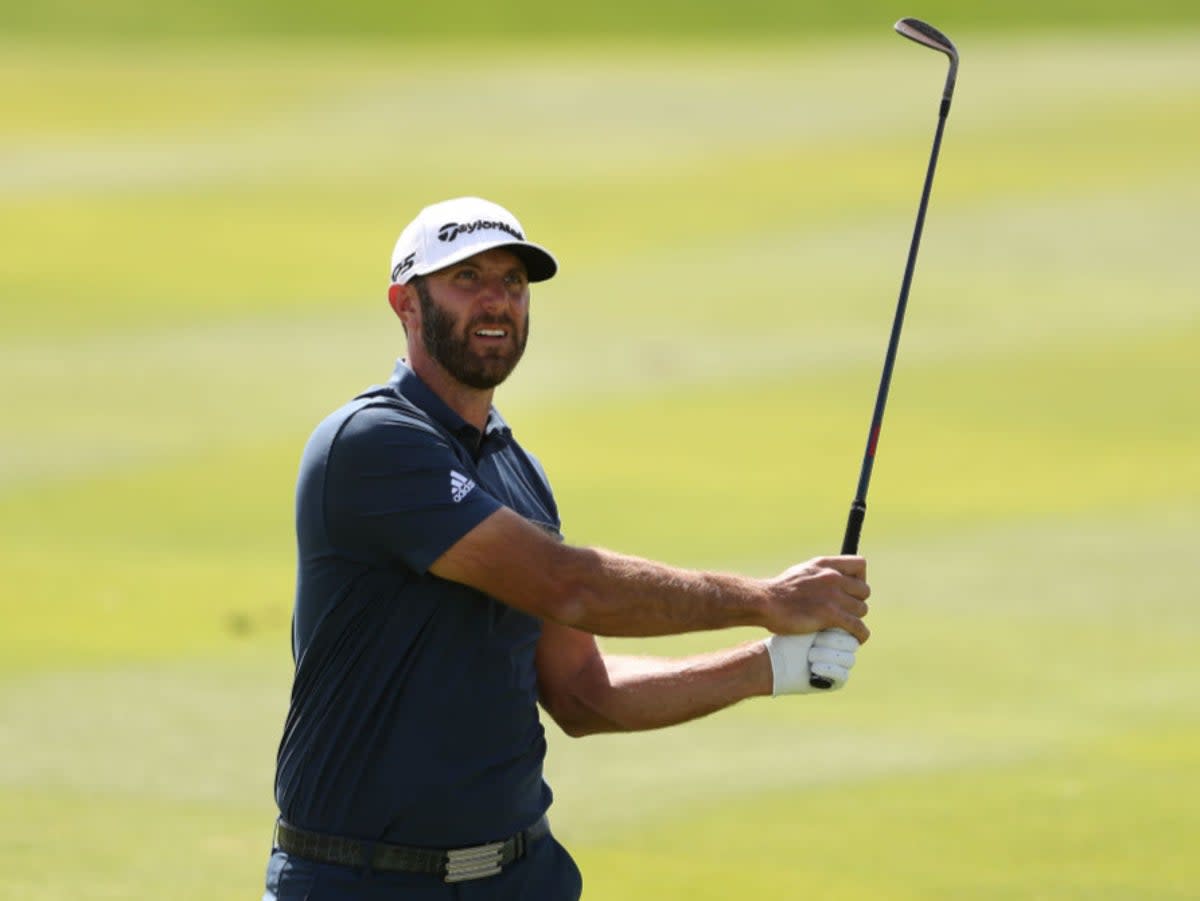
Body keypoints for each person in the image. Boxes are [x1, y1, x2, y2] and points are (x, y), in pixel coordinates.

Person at [262, 196, 871, 900]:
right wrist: (765, 600)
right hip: (361, 882)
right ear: (405, 303)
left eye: (513, 283)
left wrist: (771, 666)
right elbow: (569, 586)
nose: (497, 301)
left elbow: (584, 692)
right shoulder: (370, 443)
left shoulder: (516, 472)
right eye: (467, 279)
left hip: (522, 877)